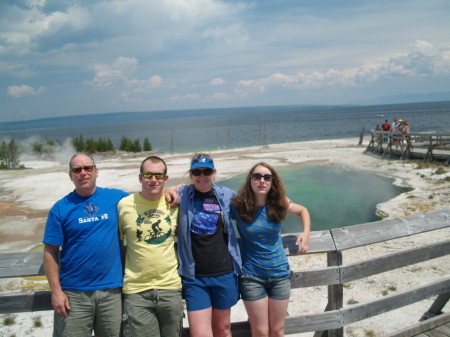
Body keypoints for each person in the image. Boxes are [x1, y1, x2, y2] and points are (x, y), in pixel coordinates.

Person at [43, 153, 129, 337]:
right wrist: (56, 291)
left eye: (87, 168)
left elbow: (145, 201)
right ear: (70, 175)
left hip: (111, 291)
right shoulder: (60, 208)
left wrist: (170, 192)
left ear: (96, 171)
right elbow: (50, 251)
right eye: (77, 169)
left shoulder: (116, 198)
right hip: (74, 294)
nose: (83, 173)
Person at [231, 162, 311, 337]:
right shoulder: (238, 206)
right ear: (250, 180)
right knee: (260, 332)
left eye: (267, 177)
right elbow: (214, 206)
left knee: (277, 331)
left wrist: (306, 233)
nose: (262, 181)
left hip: (280, 275)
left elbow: (302, 210)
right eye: (257, 176)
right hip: (251, 276)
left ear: (272, 181)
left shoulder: (278, 203)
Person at [177, 153, 242, 337]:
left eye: (207, 171)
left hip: (224, 272)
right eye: (197, 172)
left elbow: (250, 208)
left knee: (223, 329)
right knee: (200, 334)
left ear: (214, 173)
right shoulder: (182, 194)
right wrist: (169, 190)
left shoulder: (226, 195)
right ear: (191, 174)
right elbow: (162, 195)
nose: (202, 176)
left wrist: (283, 202)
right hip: (194, 276)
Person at [118, 155, 183, 337]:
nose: (153, 180)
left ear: (165, 178)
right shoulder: (124, 206)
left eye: (158, 175)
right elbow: (117, 244)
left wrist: (174, 190)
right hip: (136, 291)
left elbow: (199, 186)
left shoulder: (175, 204)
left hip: (170, 287)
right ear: (140, 178)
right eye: (148, 175)